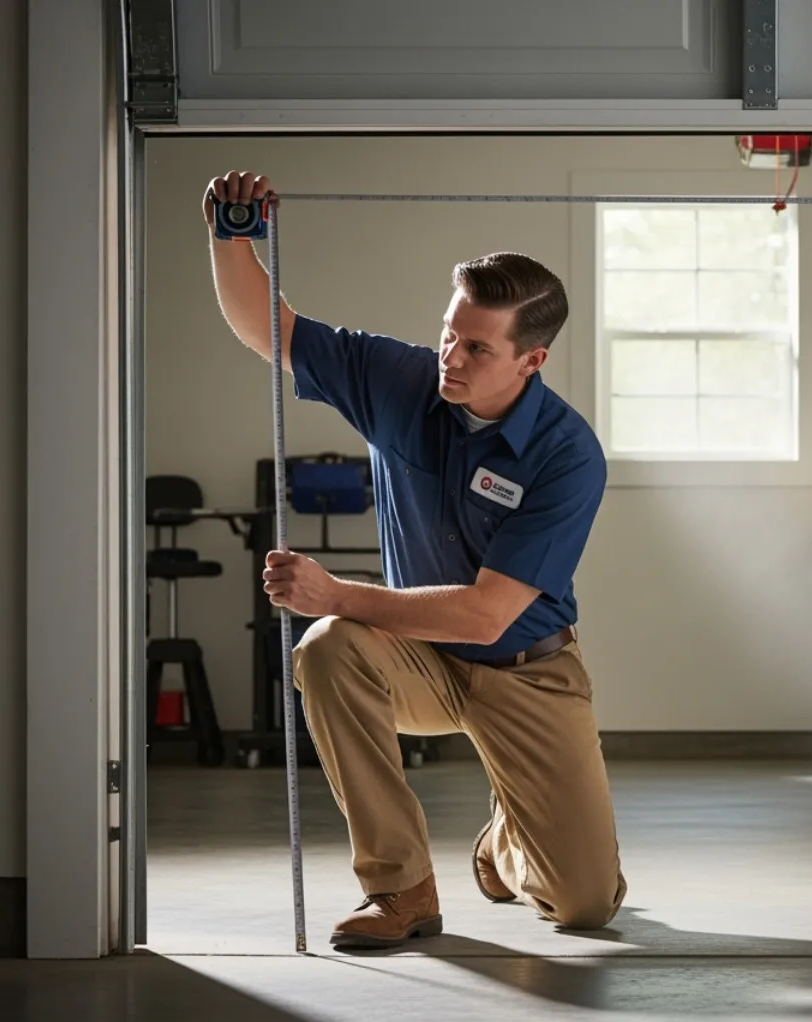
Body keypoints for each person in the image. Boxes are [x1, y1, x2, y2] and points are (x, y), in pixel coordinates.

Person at [203, 170, 626, 949]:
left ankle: (507, 837)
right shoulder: (398, 381)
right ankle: (400, 891)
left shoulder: (568, 456)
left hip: (526, 667)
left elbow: (485, 612)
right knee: (328, 649)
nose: (450, 358)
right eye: (447, 332)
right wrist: (231, 237)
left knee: (587, 906)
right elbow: (271, 328)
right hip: (418, 660)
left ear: (531, 361)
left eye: (476, 347)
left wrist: (338, 592)